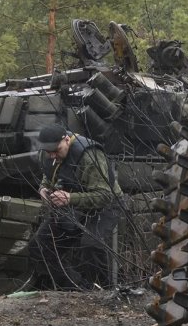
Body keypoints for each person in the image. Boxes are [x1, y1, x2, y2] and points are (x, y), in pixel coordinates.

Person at [28, 122, 122, 290]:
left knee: (91, 245)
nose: (52, 156)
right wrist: (44, 188)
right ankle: (75, 288)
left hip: (105, 205)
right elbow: (48, 176)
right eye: (49, 152)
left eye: (56, 151)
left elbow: (105, 195)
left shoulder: (89, 156)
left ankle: (103, 292)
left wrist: (70, 198)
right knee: (40, 244)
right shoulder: (50, 154)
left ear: (66, 140)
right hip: (74, 204)